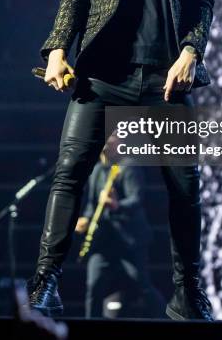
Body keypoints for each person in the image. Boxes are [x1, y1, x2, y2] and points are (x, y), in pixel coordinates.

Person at [27, 0, 215, 321]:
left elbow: (202, 3)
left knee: (185, 185)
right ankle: (45, 285)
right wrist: (57, 50)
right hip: (103, 77)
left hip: (165, 80)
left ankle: (187, 292)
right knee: (69, 175)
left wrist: (191, 51)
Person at [75, 136, 166, 318]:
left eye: (112, 138)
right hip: (104, 241)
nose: (108, 143)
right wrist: (84, 218)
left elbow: (136, 199)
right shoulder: (98, 171)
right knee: (94, 285)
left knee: (142, 284)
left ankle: (166, 318)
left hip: (129, 240)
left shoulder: (128, 166)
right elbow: (93, 204)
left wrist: (117, 205)